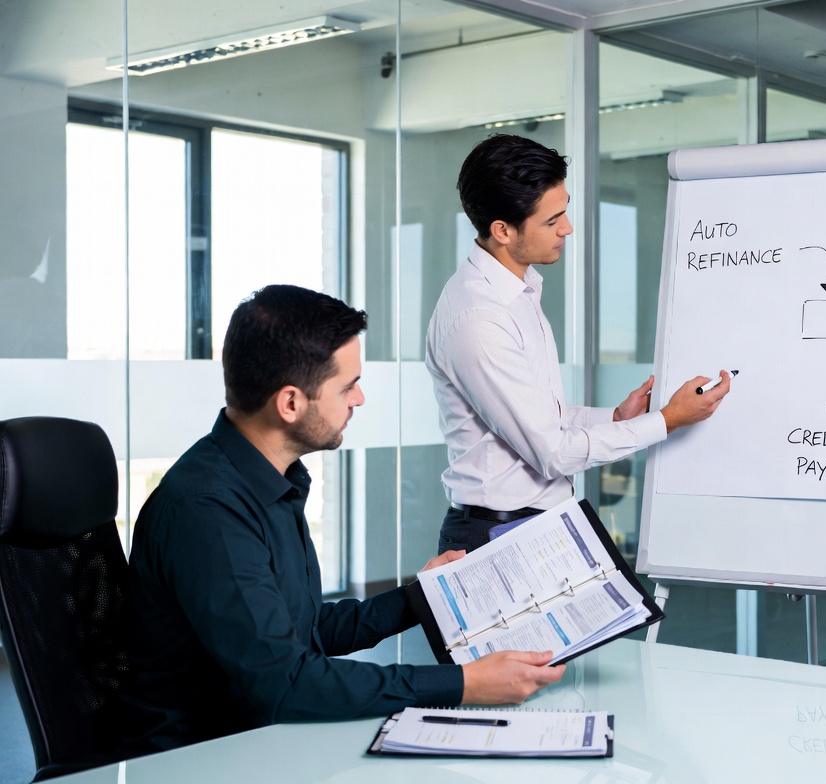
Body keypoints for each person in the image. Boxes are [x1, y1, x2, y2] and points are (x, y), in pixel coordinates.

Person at [121, 284, 563, 753]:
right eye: (347, 385)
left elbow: (305, 630)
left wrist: (421, 598)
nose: (360, 398)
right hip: (202, 757)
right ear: (290, 403)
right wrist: (465, 684)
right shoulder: (207, 510)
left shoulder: (271, 480)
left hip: (266, 739)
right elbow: (287, 683)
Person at [426, 134, 731, 554]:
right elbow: (553, 452)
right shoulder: (479, 320)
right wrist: (668, 420)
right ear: (502, 230)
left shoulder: (516, 294)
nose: (566, 228)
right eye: (552, 220)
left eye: (564, 211)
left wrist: (616, 417)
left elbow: (537, 417)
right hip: (498, 536)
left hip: (532, 526)